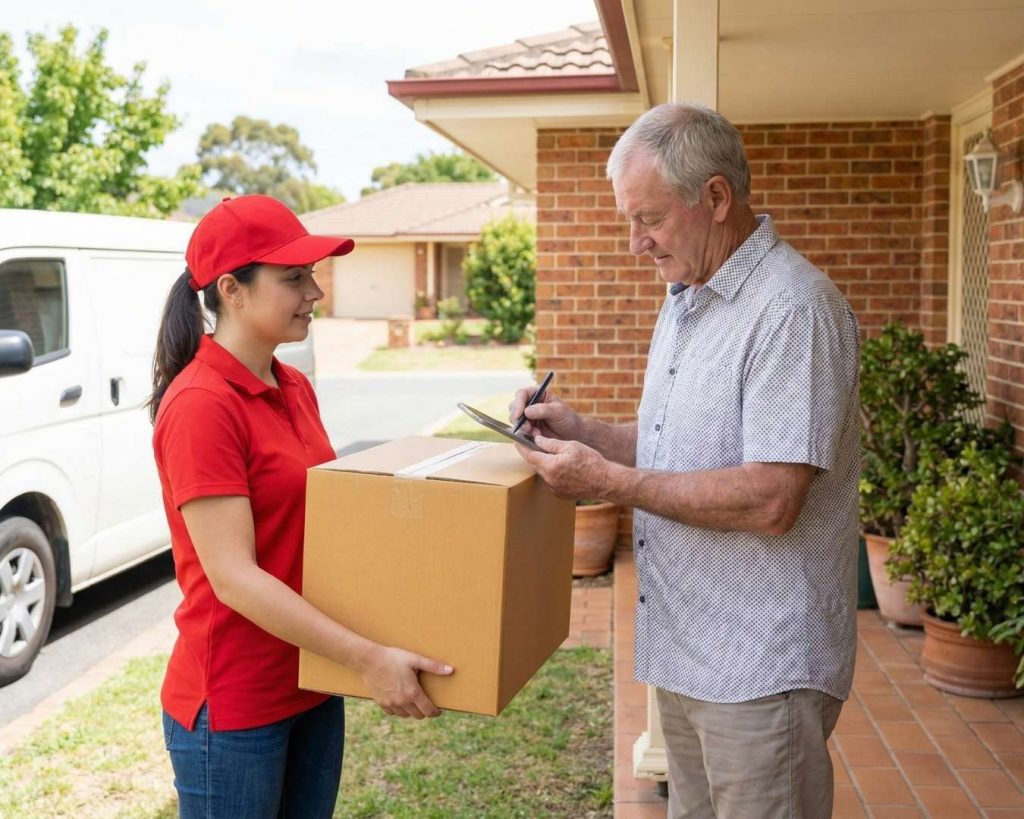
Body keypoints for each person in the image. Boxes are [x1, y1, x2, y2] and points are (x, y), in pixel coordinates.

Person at [512, 104, 860, 819]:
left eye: (650, 219)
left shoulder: (792, 310)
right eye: (629, 221)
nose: (636, 242)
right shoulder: (687, 298)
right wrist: (582, 430)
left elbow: (770, 496)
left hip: (760, 670)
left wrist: (605, 481)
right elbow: (677, 445)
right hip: (688, 652)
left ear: (716, 198)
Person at [149, 194, 453, 818]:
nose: (314, 292)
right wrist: (367, 658)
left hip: (314, 680)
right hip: (236, 706)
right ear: (232, 290)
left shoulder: (293, 386)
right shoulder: (202, 404)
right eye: (293, 278)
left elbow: (327, 525)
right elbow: (234, 578)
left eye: (311, 275)